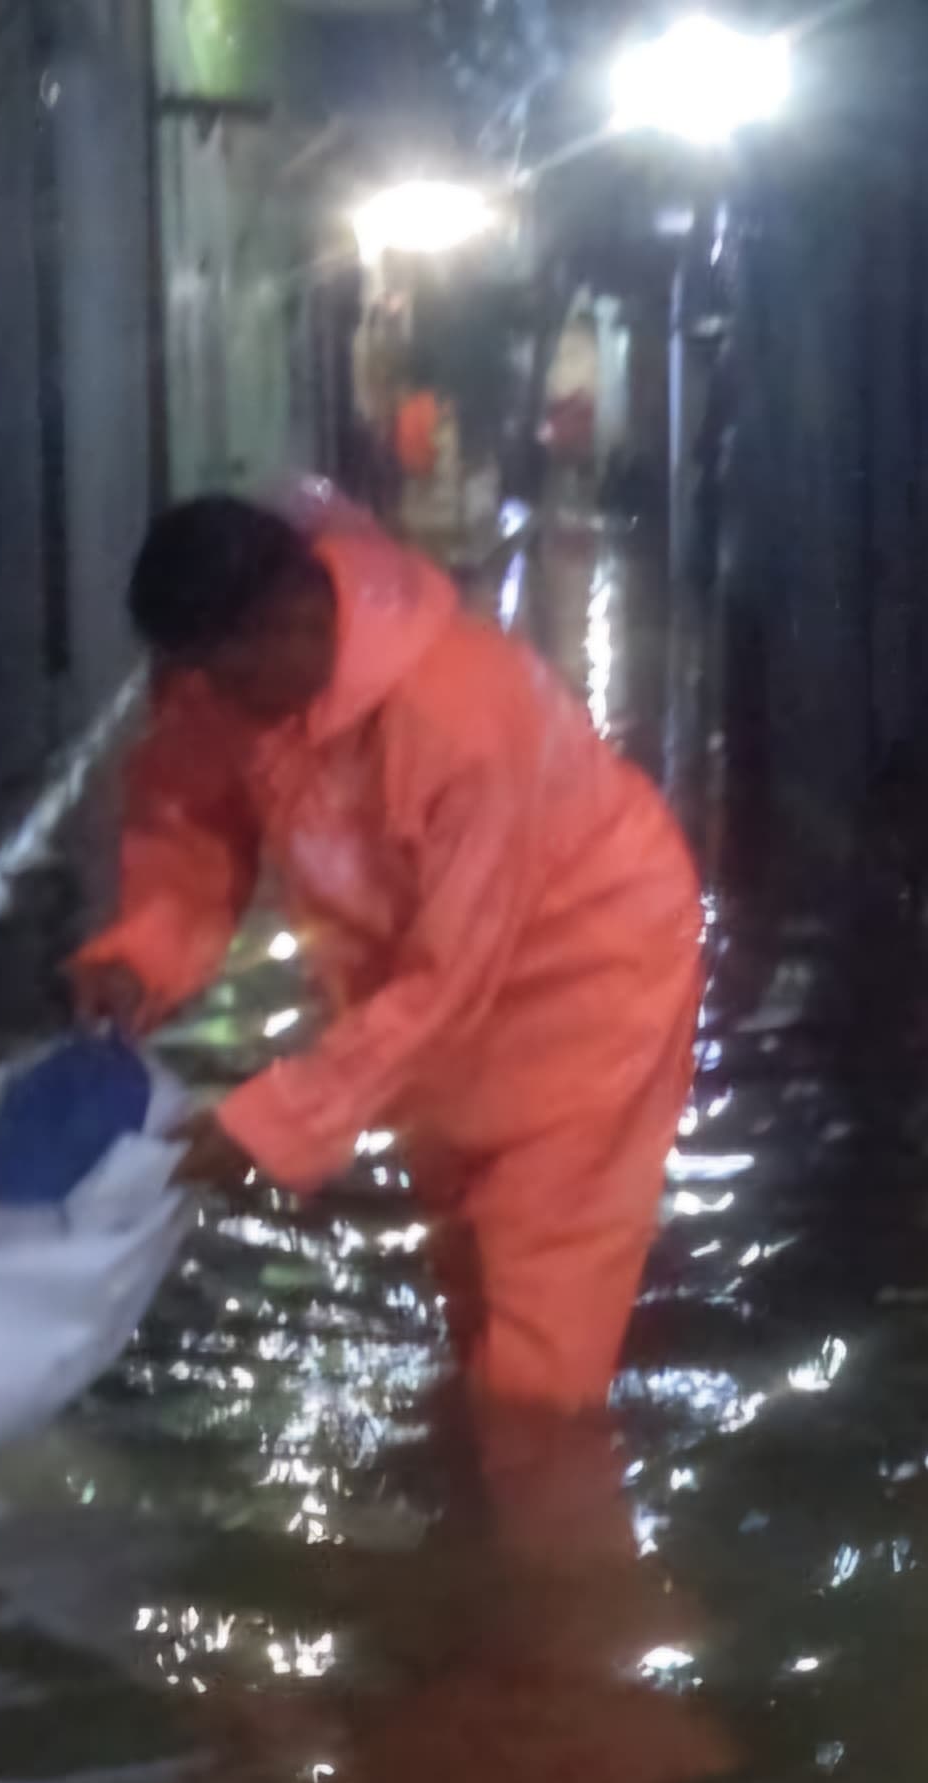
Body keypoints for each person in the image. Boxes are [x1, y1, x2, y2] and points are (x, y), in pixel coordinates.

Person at [74, 493, 706, 1427]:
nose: (207, 699)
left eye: (222, 672)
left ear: (293, 623)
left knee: (537, 1389)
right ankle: (476, 1545)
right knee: (471, 1300)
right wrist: (143, 958)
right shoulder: (237, 681)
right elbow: (193, 825)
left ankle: (564, 1567)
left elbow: (451, 980)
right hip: (421, 1020)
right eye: (189, 674)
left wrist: (270, 1123)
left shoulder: (464, 718)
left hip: (591, 996)